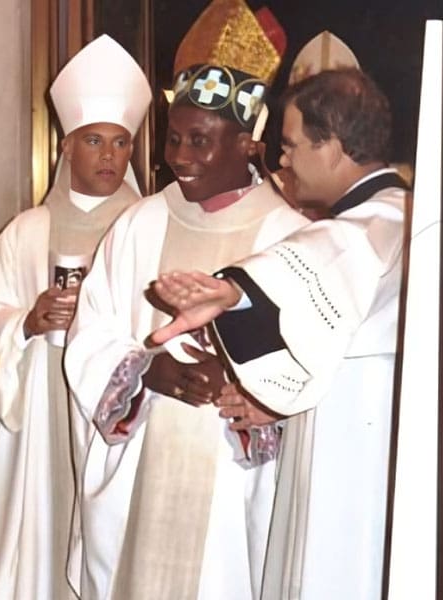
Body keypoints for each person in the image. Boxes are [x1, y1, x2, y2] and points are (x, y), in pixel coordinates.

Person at [63, 3, 309, 598]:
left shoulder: (290, 237)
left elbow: (312, 358)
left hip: (233, 480)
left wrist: (248, 385)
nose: (180, 158)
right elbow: (88, 334)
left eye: (200, 141)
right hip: (142, 466)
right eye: (174, 139)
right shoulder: (139, 224)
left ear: (249, 146)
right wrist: (147, 370)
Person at [150, 68, 408, 600]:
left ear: (332, 147)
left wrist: (234, 291)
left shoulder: (371, 223)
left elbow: (331, 256)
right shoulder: (408, 212)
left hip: (354, 443)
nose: (283, 159)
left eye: (292, 145)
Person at [0, 35, 151, 599]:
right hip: (43, 402)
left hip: (119, 412)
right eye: (94, 141)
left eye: (121, 142)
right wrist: (25, 322)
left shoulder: (149, 226)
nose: (110, 156)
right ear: (67, 148)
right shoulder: (27, 231)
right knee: (47, 531)